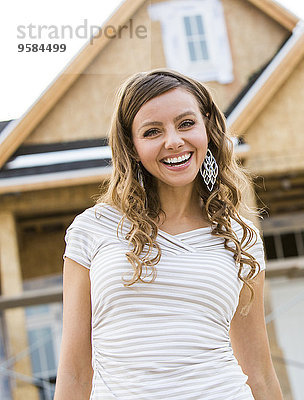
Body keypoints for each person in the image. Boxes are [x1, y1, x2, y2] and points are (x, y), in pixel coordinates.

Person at [54, 69, 283, 399]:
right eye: (152, 131)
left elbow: (259, 372)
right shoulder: (93, 229)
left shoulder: (239, 238)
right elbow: (74, 371)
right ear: (132, 147)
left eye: (186, 123)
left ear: (207, 127)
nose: (173, 141)